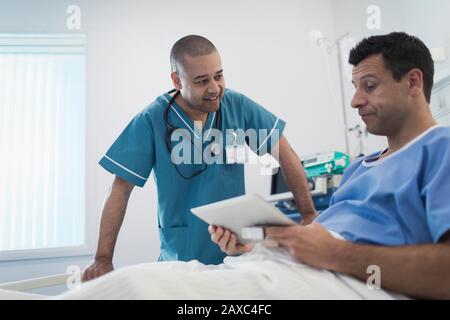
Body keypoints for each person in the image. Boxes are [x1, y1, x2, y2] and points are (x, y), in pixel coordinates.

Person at [210, 32, 450, 299]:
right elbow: (320, 240)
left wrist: (335, 253)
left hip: (337, 281)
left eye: (369, 86)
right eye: (355, 87)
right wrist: (255, 247)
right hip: (281, 268)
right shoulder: (357, 169)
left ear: (413, 82)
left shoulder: (441, 149)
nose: (355, 100)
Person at [82, 35, 317, 282]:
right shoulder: (152, 119)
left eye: (219, 76)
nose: (214, 87)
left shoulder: (236, 106)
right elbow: (120, 189)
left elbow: (286, 154)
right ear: (176, 80)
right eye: (202, 81)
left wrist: (308, 214)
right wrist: (102, 258)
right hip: (182, 257)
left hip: (237, 254)